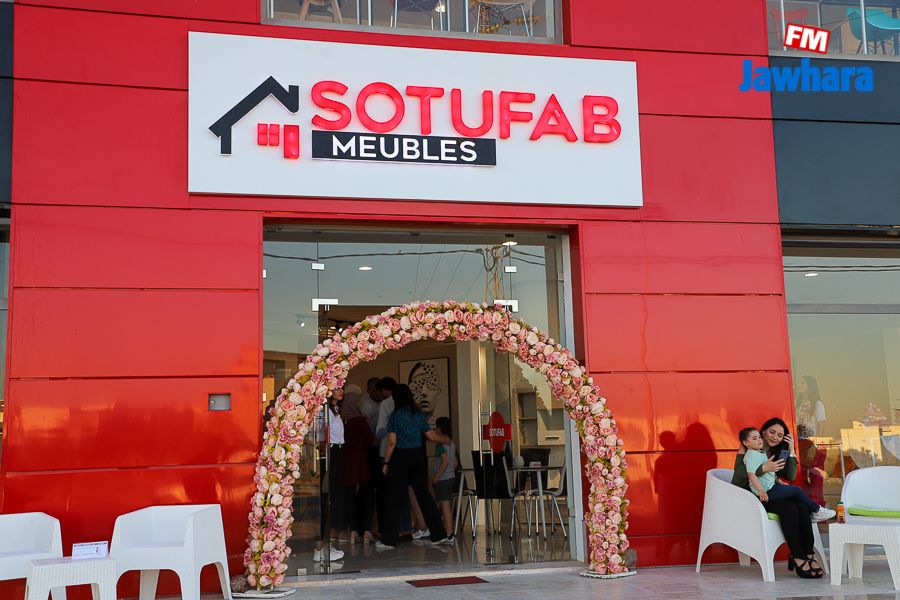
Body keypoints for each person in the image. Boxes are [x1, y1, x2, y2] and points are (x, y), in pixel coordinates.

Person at [731, 417, 825, 579]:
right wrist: (763, 468)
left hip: (772, 493)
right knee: (789, 508)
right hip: (754, 496)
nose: (775, 437)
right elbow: (739, 475)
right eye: (772, 432)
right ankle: (798, 556)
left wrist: (791, 450)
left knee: (801, 505)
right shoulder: (748, 447)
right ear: (763, 431)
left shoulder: (778, 451)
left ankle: (808, 553)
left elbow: (791, 476)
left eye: (780, 435)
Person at [376, 384, 452, 550]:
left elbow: (392, 442)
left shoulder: (395, 415)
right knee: (424, 495)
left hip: (400, 457)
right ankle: (438, 534)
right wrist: (444, 439)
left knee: (394, 498)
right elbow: (430, 436)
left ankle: (389, 540)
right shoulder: (418, 414)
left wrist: (386, 462)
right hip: (417, 457)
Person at [739, 427, 835, 520]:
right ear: (746, 443)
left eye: (759, 437)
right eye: (754, 438)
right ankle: (817, 510)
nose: (759, 440)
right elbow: (751, 475)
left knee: (795, 494)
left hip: (770, 487)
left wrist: (780, 482)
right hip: (767, 491)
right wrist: (761, 491)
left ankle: (812, 512)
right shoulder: (751, 455)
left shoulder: (759, 453)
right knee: (797, 490)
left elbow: (769, 473)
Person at [313, 387, 346, 562]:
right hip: (329, 452)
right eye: (337, 388)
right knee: (326, 498)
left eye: (342, 388)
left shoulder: (335, 409)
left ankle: (324, 545)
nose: (341, 391)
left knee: (333, 497)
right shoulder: (323, 410)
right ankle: (321, 546)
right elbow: (319, 434)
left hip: (337, 452)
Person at [339, 384, 375, 544]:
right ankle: (366, 531)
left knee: (349, 498)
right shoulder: (360, 421)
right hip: (362, 464)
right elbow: (370, 441)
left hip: (346, 464)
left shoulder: (340, 420)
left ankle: (353, 532)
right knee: (367, 497)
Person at [431, 416, 457, 541]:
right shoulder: (451, 443)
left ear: (439, 429)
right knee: (448, 506)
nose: (434, 430)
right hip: (451, 478)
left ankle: (449, 533)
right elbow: (455, 462)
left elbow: (445, 461)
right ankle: (449, 531)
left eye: (436, 427)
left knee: (444, 506)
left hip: (442, 479)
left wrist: (436, 476)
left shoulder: (440, 444)